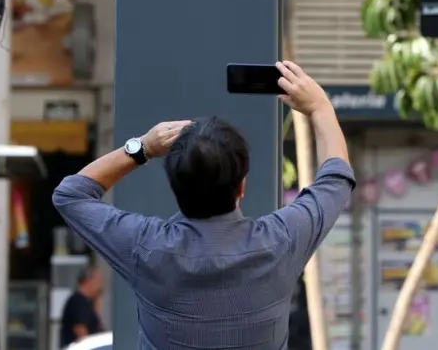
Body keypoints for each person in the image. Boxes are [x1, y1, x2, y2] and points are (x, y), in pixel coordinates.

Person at [52, 61, 354, 350]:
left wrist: (142, 148)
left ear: (175, 185)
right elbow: (336, 179)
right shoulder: (281, 242)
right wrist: (320, 107)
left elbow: (71, 194)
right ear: (242, 185)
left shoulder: (146, 248)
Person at [59, 265, 104, 348]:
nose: (101, 286)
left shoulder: (86, 302)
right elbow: (81, 331)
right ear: (89, 281)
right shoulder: (79, 302)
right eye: (99, 281)